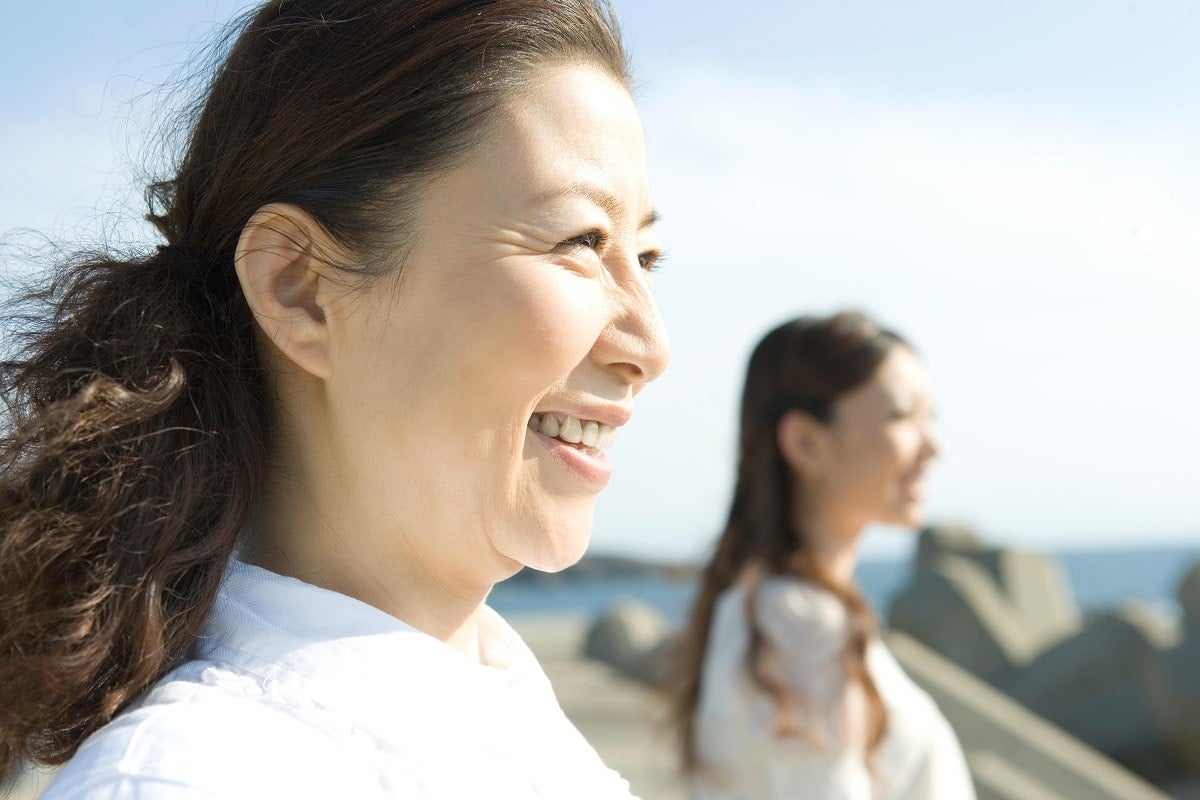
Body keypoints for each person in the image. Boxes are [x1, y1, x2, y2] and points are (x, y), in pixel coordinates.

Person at [0, 1, 669, 797]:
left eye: (648, 256)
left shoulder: (514, 720)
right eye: (582, 243)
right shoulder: (187, 780)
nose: (651, 348)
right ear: (300, 289)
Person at [670, 311, 975, 799]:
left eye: (929, 418)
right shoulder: (796, 626)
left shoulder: (777, 610)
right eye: (900, 416)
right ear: (805, 442)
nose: (933, 446)